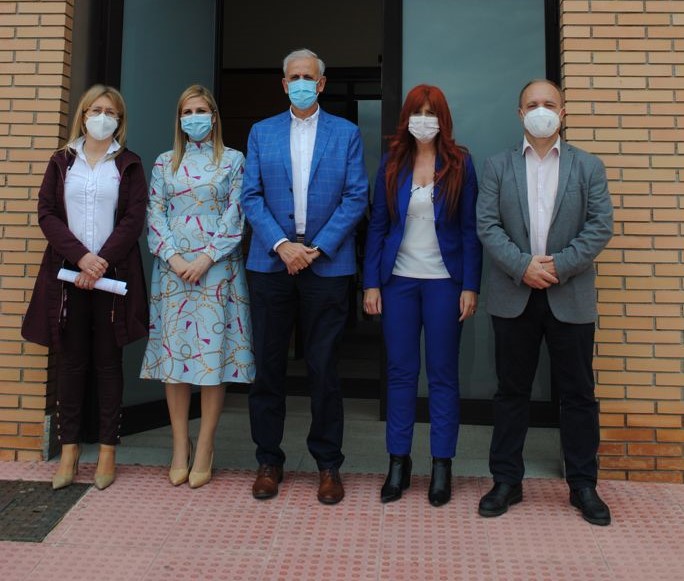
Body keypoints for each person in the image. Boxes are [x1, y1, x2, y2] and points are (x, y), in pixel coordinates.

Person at [476, 79, 614, 525]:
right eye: (532, 104)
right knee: (511, 391)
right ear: (520, 114)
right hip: (514, 294)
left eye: (549, 104)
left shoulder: (588, 166)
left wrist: (556, 267)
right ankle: (506, 480)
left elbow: (599, 227)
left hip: (568, 294)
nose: (541, 110)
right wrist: (523, 267)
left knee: (577, 393)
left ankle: (583, 484)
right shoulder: (497, 166)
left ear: (563, 111)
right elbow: (488, 226)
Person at [242, 48, 368, 505]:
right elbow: (250, 195)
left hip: (327, 265)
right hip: (271, 263)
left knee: (324, 369)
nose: (300, 82)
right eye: (292, 76)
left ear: (321, 83)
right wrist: (283, 245)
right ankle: (268, 460)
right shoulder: (261, 132)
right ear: (284, 84)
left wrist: (315, 248)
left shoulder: (347, 133)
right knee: (268, 367)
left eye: (307, 76)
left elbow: (356, 197)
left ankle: (328, 465)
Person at [22, 84, 149, 491]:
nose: (101, 116)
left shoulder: (128, 163)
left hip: (112, 279)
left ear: (120, 119)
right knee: (72, 364)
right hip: (68, 278)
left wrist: (102, 261)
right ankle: (70, 450)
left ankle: (108, 452)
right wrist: (81, 257)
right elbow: (47, 213)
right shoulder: (62, 161)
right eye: (95, 109)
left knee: (108, 365)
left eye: (110, 111)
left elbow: (133, 218)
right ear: (82, 115)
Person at [363, 85, 481, 507]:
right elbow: (378, 224)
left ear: (442, 118)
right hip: (398, 282)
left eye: (432, 113)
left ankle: (442, 465)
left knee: (443, 375)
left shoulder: (461, 164)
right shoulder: (393, 162)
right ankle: (398, 462)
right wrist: (371, 282)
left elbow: (470, 229)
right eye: (418, 112)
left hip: (445, 283)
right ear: (407, 118)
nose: (424, 119)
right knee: (400, 373)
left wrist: (470, 285)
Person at [140, 85, 255, 489]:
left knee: (211, 359)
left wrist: (206, 258)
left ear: (214, 116)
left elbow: (236, 213)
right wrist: (174, 258)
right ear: (179, 119)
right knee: (175, 364)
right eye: (187, 110)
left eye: (201, 109)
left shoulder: (235, 161)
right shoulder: (163, 163)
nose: (194, 116)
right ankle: (179, 444)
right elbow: (154, 212)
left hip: (216, 270)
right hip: (172, 272)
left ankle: (205, 444)